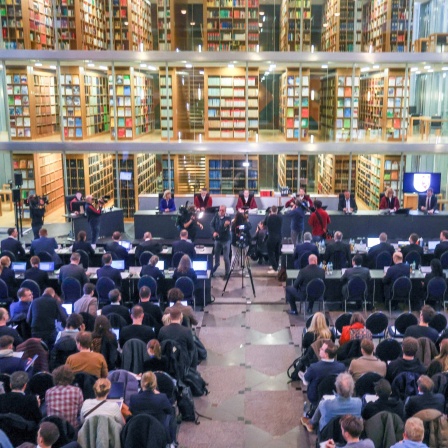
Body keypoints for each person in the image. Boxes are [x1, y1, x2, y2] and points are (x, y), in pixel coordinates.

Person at [129, 371, 176, 443]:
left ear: (141, 383)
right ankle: (172, 440)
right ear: (155, 384)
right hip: (157, 431)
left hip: (139, 432)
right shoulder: (162, 398)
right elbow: (169, 411)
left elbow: (131, 413)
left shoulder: (133, 399)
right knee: (172, 411)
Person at [299, 340, 345, 407]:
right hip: (335, 396)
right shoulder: (341, 367)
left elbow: (305, 382)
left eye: (322, 349)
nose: (319, 349)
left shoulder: (313, 367)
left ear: (326, 354)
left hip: (316, 398)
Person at [45, 365, 84, 429]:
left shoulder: (48, 392)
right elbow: (81, 411)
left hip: (54, 429)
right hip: (71, 429)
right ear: (71, 377)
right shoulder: (76, 390)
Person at [210, 205, 231, 277]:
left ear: (225, 211)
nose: (221, 212)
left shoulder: (228, 218)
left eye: (223, 210)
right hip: (217, 240)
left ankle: (227, 273)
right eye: (220, 210)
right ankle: (213, 271)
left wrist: (224, 226)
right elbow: (211, 224)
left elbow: (223, 229)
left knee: (226, 258)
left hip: (225, 240)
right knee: (216, 256)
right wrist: (213, 232)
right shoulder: (216, 216)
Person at [265, 205, 283, 274]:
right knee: (277, 252)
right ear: (277, 211)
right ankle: (276, 266)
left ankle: (275, 268)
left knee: (270, 253)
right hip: (279, 237)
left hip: (272, 237)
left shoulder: (269, 217)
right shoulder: (280, 218)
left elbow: (265, 224)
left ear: (271, 210)